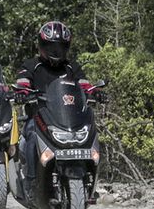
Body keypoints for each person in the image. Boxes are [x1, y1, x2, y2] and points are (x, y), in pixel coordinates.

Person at [13, 21, 100, 196]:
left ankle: (91, 181)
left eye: (60, 47)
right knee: (30, 137)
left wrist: (95, 92)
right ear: (41, 45)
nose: (56, 51)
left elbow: (85, 85)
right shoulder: (31, 65)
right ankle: (30, 181)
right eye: (51, 47)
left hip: (69, 119)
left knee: (92, 135)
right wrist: (22, 92)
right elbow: (22, 82)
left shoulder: (72, 67)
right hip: (39, 117)